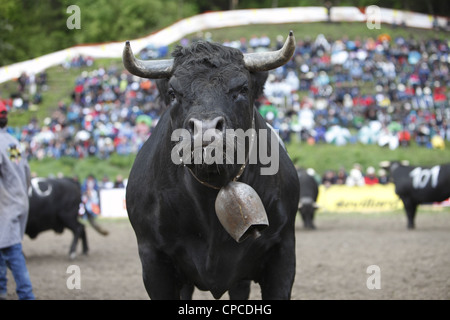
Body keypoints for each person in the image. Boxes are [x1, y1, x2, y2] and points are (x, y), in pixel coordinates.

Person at [0, 102, 35, 300]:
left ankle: (26, 295)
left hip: (5, 206)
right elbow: (26, 171)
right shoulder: (12, 141)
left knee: (12, 251)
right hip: (19, 200)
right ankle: (2, 290)